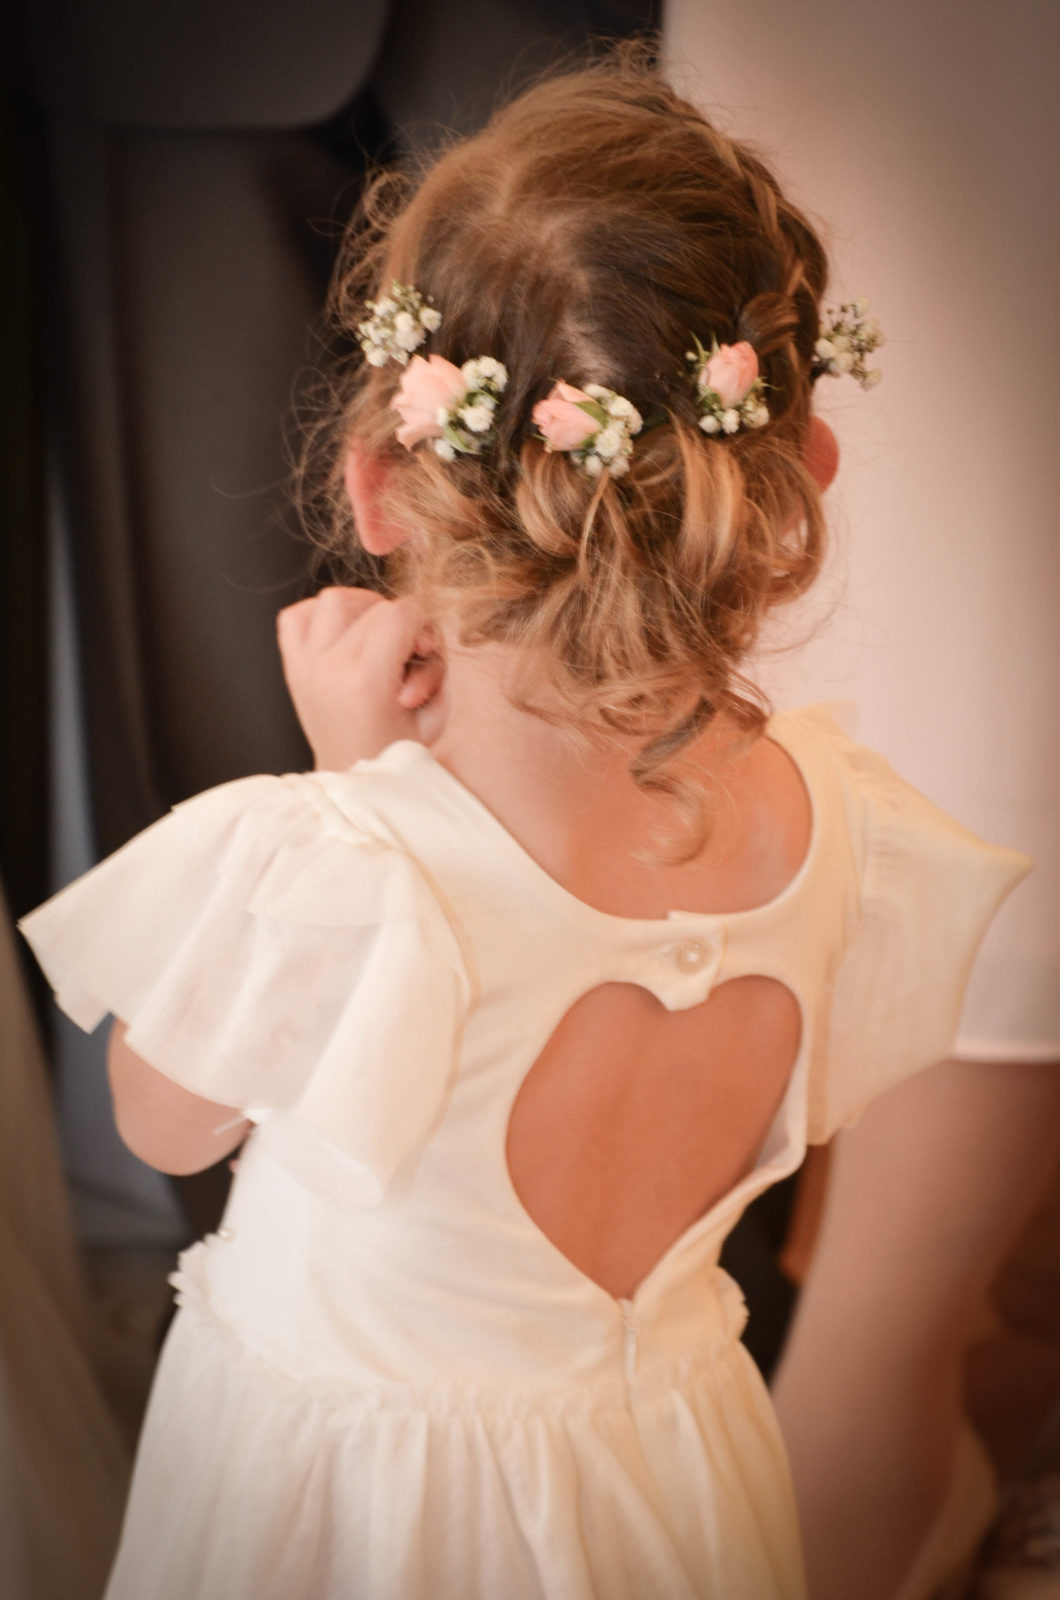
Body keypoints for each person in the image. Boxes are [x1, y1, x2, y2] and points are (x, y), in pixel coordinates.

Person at [18, 54, 1029, 1600]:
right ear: (797, 480)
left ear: (375, 488)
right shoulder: (849, 833)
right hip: (672, 1489)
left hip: (351, 1519)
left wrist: (352, 797)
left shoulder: (341, 859)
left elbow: (167, 1121)